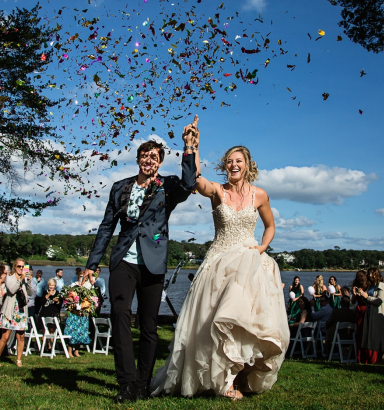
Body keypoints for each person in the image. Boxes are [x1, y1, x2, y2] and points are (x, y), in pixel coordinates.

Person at [150, 142, 289, 401]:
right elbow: (195, 181)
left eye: (239, 161)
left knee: (242, 323)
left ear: (247, 165)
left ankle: (239, 376)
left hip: (248, 263)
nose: (234, 165)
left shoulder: (260, 195)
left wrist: (261, 249)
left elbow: (270, 226)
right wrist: (193, 146)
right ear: (225, 165)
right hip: (218, 263)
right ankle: (222, 380)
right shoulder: (217, 191)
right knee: (215, 322)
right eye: (230, 161)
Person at [82, 117, 199, 403]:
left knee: (149, 326)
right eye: (145, 155)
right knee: (119, 316)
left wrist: (189, 148)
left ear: (160, 163)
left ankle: (143, 384)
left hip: (154, 263)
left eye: (155, 157)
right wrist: (92, 264)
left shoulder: (167, 187)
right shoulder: (119, 187)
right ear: (138, 159)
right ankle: (126, 383)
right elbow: (106, 227)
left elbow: (188, 182)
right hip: (123, 261)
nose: (150, 160)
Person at [0, 258, 33, 367]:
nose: (21, 269)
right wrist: (20, 280)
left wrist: (28, 281)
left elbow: (31, 292)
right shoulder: (9, 278)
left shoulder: (24, 279)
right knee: (5, 337)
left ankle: (19, 360)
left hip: (21, 311)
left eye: (23, 267)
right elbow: (12, 290)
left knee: (21, 337)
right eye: (19, 266)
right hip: (10, 310)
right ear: (15, 267)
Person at [352, 267, 384, 364]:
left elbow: (379, 300)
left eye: (372, 274)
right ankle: (367, 359)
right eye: (369, 273)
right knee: (368, 337)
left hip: (377, 314)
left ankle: (377, 359)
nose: (370, 275)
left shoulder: (381, 285)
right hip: (369, 313)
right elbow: (367, 301)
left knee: (377, 337)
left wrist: (366, 296)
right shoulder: (371, 286)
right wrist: (359, 295)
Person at [64, 276, 92, 358]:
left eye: (85, 277)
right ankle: (69, 351)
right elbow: (69, 298)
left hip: (82, 313)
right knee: (72, 332)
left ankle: (76, 351)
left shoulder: (87, 286)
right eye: (81, 277)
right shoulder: (74, 285)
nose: (83, 278)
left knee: (81, 333)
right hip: (74, 313)